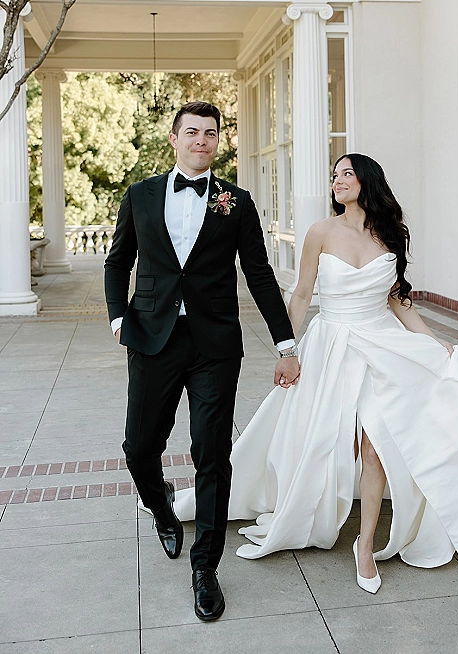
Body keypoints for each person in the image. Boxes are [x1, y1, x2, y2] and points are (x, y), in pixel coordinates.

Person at [168, 153, 458, 592]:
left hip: (382, 344)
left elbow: (398, 300)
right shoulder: (320, 232)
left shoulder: (391, 234)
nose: (338, 181)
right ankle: (304, 503)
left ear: (367, 180)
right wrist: (287, 349)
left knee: (376, 439)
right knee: (315, 436)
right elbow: (303, 293)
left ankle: (365, 545)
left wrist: (434, 341)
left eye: (346, 174)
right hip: (331, 343)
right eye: (334, 176)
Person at [104, 101, 299, 622]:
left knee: (212, 454)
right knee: (139, 445)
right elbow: (118, 258)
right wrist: (117, 316)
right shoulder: (141, 196)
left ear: (218, 142)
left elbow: (259, 273)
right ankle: (161, 506)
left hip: (214, 345)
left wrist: (285, 343)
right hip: (151, 337)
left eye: (211, 134)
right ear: (174, 138)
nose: (202, 140)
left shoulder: (236, 202)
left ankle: (205, 568)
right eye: (192, 132)